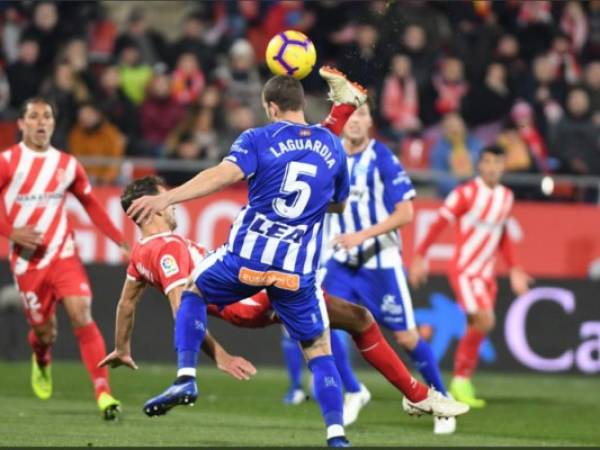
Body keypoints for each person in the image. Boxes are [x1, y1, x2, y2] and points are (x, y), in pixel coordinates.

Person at [125, 68, 465, 447]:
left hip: (246, 262)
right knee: (319, 349)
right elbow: (337, 203)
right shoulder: (333, 148)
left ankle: (186, 376)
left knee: (192, 292)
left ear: (270, 107)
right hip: (295, 274)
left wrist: (167, 197)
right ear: (303, 104)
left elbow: (221, 175)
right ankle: (337, 434)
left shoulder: (256, 138)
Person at [103, 174, 468, 428]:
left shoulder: (140, 254)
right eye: (165, 199)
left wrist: (121, 348)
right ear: (150, 207)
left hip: (247, 297)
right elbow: (184, 303)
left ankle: (402, 397)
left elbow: (125, 305)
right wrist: (220, 355)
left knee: (356, 318)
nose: (173, 206)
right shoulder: (169, 248)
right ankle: (410, 397)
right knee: (350, 326)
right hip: (255, 294)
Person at [322, 101, 457, 435]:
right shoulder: (331, 154)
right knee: (322, 324)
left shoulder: (381, 157)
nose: (355, 121)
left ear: (371, 123)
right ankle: (354, 390)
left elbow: (406, 213)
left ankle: (441, 401)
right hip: (340, 261)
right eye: (350, 115)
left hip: (378, 263)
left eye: (363, 115)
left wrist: (361, 236)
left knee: (407, 337)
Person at [0, 97, 129, 419]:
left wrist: (121, 241)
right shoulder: (7, 161)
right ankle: (41, 358)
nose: (41, 122)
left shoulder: (68, 164)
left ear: (54, 124)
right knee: (46, 333)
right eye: (33, 116)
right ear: (21, 123)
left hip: (62, 253)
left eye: (47, 116)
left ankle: (103, 392)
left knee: (81, 311)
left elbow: (92, 206)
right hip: (28, 261)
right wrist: (10, 232)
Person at [409, 145, 533, 408]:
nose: (492, 167)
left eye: (497, 162)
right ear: (480, 165)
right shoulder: (465, 194)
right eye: (487, 162)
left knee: (480, 324)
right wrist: (420, 256)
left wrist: (514, 269)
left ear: (503, 166)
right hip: (465, 270)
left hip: (487, 274)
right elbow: (438, 224)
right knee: (485, 320)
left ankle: (461, 379)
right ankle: (460, 381)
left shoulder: (506, 197)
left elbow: (503, 236)